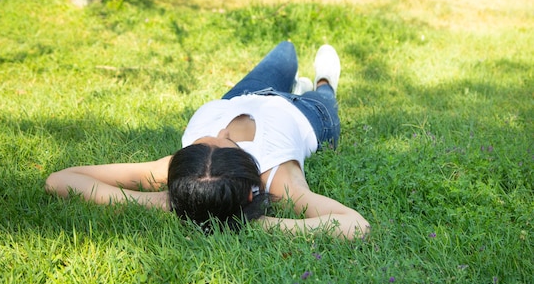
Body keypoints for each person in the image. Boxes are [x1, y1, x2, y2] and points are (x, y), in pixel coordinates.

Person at [45, 41, 370, 239]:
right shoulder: (278, 180)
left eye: (209, 141)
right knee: (323, 91)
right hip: (305, 113)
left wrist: (165, 200)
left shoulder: (184, 167)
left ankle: (297, 81)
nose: (221, 132)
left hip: (243, 96)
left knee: (285, 51)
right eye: (227, 142)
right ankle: (323, 83)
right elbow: (355, 225)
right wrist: (255, 223)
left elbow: (59, 180)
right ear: (248, 170)